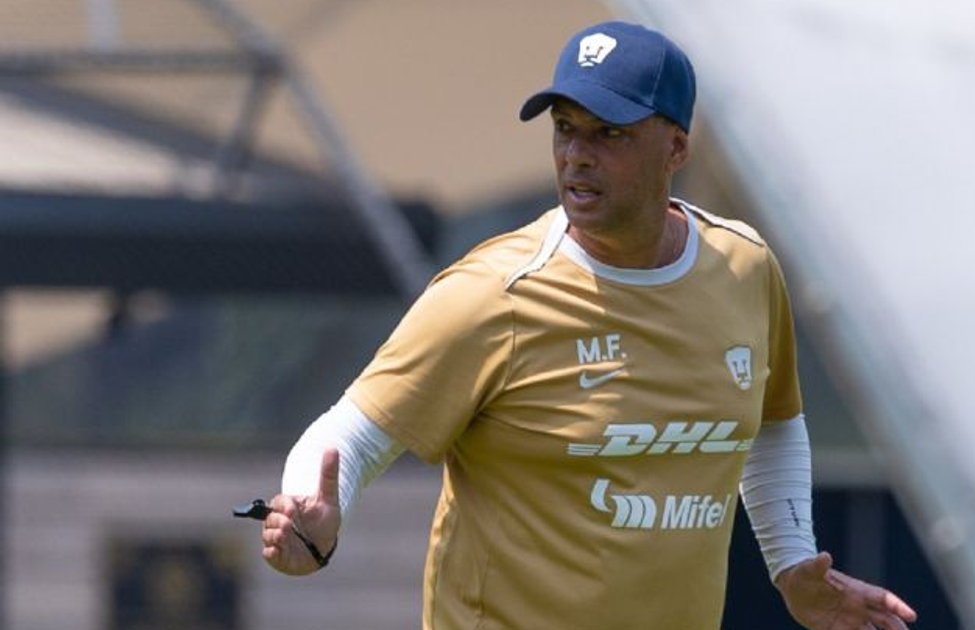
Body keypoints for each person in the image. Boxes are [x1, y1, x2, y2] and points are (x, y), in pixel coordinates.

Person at [259, 20, 918, 630]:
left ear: (676, 147)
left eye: (610, 133)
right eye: (565, 128)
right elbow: (349, 433)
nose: (577, 154)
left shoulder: (745, 268)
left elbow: (772, 422)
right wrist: (311, 516)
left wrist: (794, 563)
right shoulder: (491, 295)